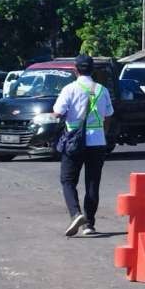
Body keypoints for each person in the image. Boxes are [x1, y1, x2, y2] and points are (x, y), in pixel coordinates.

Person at [52, 54, 114, 237]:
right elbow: (108, 115)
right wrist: (104, 134)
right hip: (97, 141)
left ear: (75, 69)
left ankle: (76, 214)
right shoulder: (102, 90)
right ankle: (90, 225)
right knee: (92, 183)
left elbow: (57, 113)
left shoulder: (70, 89)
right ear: (92, 70)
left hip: (74, 141)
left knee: (68, 180)